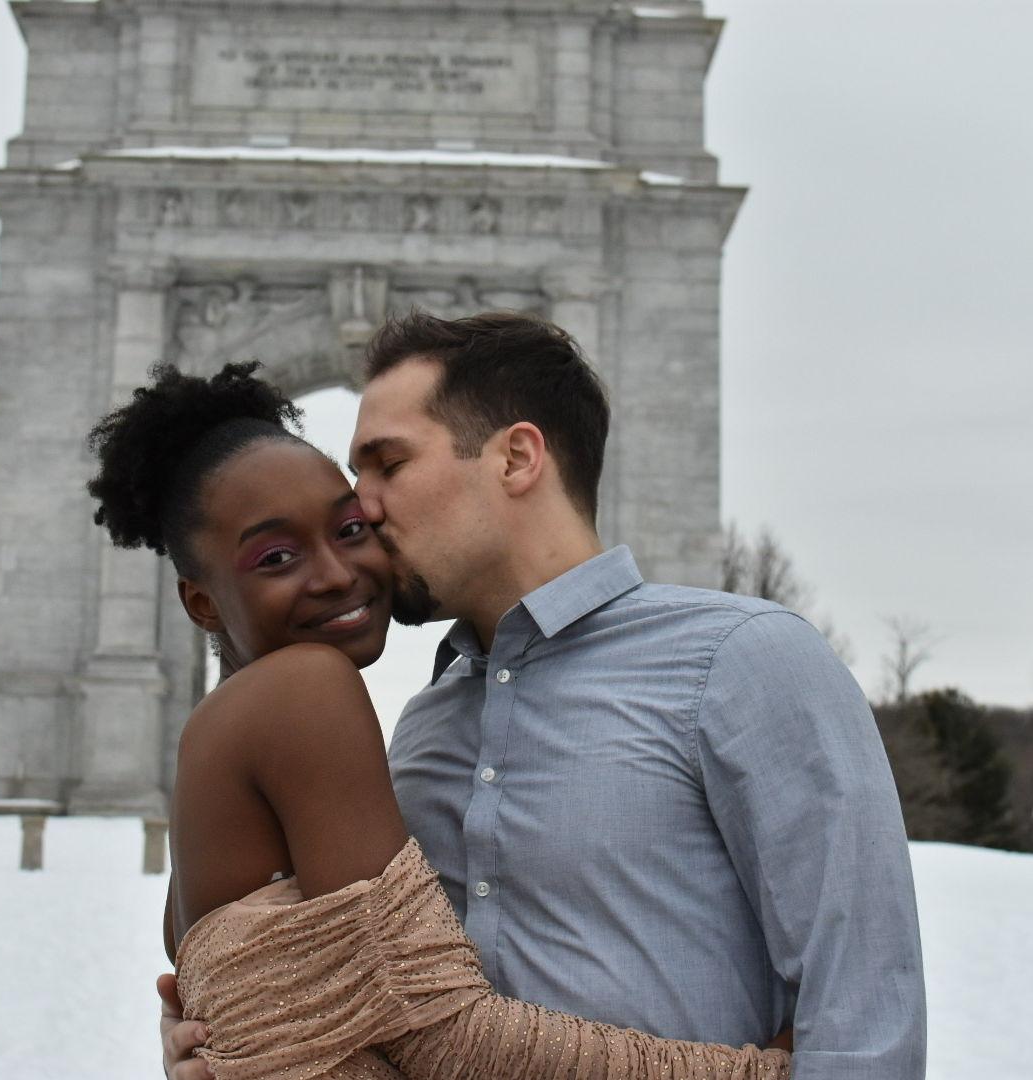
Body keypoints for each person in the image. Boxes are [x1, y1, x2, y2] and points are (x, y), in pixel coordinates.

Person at [162, 311, 926, 1080]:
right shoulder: (423, 724)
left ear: (516, 458)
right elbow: (389, 1013)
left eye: (386, 465)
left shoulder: (741, 661)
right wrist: (237, 1033)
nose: (362, 504)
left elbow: (864, 1021)